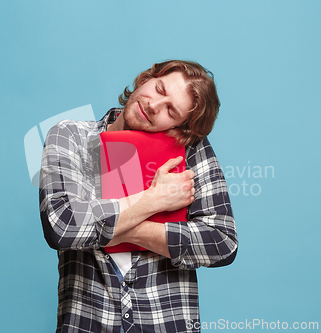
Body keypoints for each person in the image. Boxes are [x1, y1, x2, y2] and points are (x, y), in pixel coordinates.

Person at [39, 60, 238, 333]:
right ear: (146, 78)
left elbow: (222, 241)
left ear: (181, 127)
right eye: (158, 89)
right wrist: (155, 200)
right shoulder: (71, 136)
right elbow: (62, 226)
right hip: (87, 323)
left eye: (171, 110)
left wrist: (113, 229)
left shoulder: (189, 149)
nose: (154, 105)